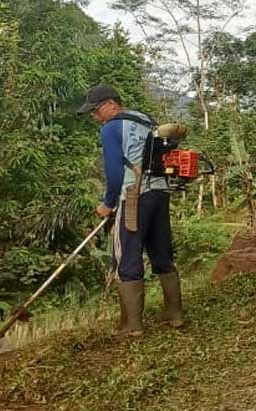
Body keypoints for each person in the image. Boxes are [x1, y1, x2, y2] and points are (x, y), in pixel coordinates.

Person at [78, 84, 183, 336]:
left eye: (96, 111)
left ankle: (131, 324)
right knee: (161, 251)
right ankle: (174, 313)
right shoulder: (145, 120)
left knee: (126, 257)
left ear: (111, 105)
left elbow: (114, 173)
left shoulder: (112, 128)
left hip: (133, 196)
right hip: (160, 193)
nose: (95, 117)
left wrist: (108, 203)